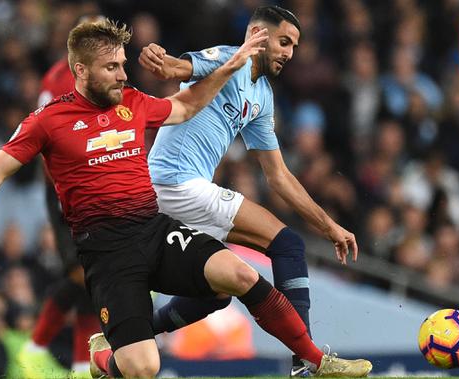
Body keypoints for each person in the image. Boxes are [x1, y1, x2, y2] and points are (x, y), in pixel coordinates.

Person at [0, 19, 371, 379]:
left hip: (153, 228)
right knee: (144, 368)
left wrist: (230, 67)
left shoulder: (132, 102)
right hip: (108, 252)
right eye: (111, 67)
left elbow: (186, 105)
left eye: (123, 65)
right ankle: (106, 356)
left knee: (236, 277)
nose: (122, 75)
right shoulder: (48, 120)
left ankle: (316, 362)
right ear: (80, 69)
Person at [139, 5, 364, 376]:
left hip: (179, 191)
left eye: (293, 46)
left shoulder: (262, 95)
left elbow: (277, 176)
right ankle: (306, 362)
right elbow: (177, 69)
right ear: (257, 32)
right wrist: (159, 58)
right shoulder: (230, 58)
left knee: (216, 292)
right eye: (284, 42)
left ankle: (134, 334)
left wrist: (329, 226)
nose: (289, 53)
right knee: (287, 244)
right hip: (175, 182)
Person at [17, 15, 103, 379]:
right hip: (65, 188)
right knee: (80, 272)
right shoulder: (56, 79)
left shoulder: (109, 78)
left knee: (93, 277)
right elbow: (42, 133)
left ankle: (82, 368)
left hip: (99, 189)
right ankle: (33, 349)